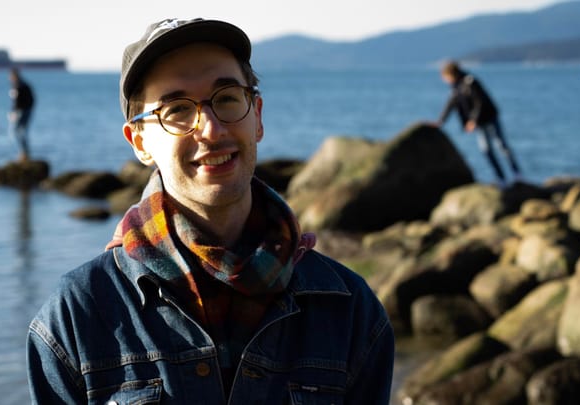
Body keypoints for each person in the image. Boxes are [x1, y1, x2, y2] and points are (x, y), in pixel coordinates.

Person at [26, 18, 394, 404]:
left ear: (258, 117)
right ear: (139, 141)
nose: (211, 130)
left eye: (228, 98)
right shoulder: (78, 316)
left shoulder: (349, 312)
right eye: (177, 110)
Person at [434, 60, 523, 186]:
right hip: (480, 123)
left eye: (445, 77)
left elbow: (479, 101)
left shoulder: (470, 81)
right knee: (486, 150)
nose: (444, 80)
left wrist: (473, 120)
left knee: (501, 146)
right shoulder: (456, 88)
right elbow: (450, 105)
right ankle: (501, 178)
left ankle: (516, 174)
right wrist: (440, 122)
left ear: (450, 74)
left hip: (489, 118)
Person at [8, 68, 35, 161]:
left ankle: (24, 153)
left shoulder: (19, 86)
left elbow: (17, 101)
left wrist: (14, 112)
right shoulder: (23, 85)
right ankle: (25, 152)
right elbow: (32, 99)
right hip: (26, 110)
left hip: (21, 111)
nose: (10, 78)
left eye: (11, 76)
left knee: (16, 131)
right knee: (22, 132)